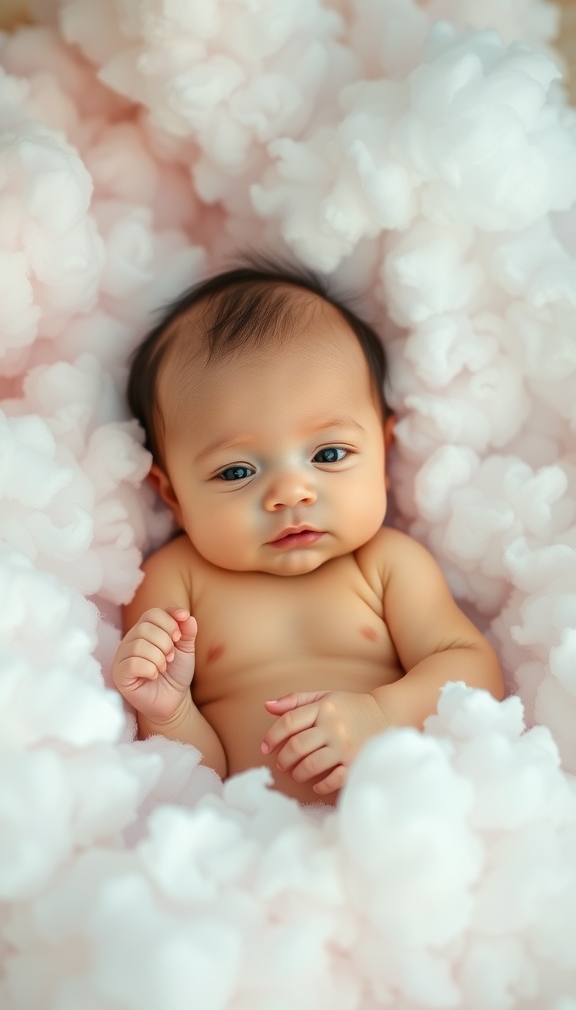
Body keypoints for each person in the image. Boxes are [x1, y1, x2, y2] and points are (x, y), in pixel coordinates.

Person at [111, 257, 504, 806]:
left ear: (383, 452)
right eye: (237, 471)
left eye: (329, 453)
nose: (291, 493)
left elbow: (472, 669)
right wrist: (170, 711)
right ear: (173, 493)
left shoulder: (387, 563)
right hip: (252, 835)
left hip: (400, 810)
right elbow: (194, 775)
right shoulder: (175, 581)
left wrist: (381, 714)